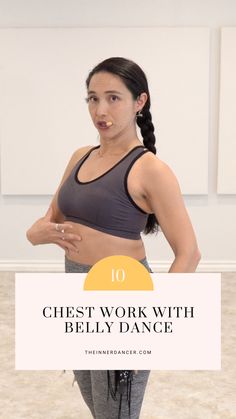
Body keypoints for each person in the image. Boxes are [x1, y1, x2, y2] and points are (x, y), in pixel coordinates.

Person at [26, 57, 201, 419]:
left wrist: (150, 329)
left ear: (140, 102)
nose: (100, 110)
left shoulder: (151, 169)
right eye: (92, 99)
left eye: (113, 98)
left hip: (124, 297)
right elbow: (47, 222)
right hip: (75, 295)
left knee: (116, 411)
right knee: (95, 402)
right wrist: (37, 233)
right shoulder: (80, 156)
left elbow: (189, 254)